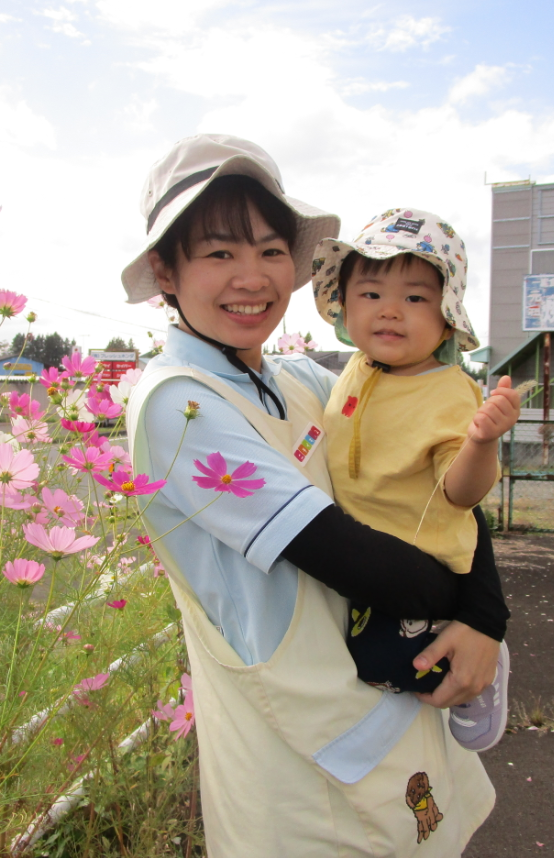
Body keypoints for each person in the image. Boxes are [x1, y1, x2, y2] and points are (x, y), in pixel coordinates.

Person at [122, 134, 509, 857]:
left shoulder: (302, 380)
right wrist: (477, 609)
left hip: (390, 691)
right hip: (303, 742)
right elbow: (356, 560)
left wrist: (486, 617)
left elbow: (436, 486)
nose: (252, 277)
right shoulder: (180, 406)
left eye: (271, 250)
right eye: (218, 253)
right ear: (165, 270)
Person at [311, 211, 520, 753]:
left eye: (415, 297)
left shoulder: (448, 390)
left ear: (446, 320)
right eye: (371, 293)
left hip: (424, 564)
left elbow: (462, 492)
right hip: (369, 553)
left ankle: (484, 669)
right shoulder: (357, 368)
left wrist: (481, 442)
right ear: (345, 306)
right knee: (361, 658)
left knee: (389, 663)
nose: (390, 310)